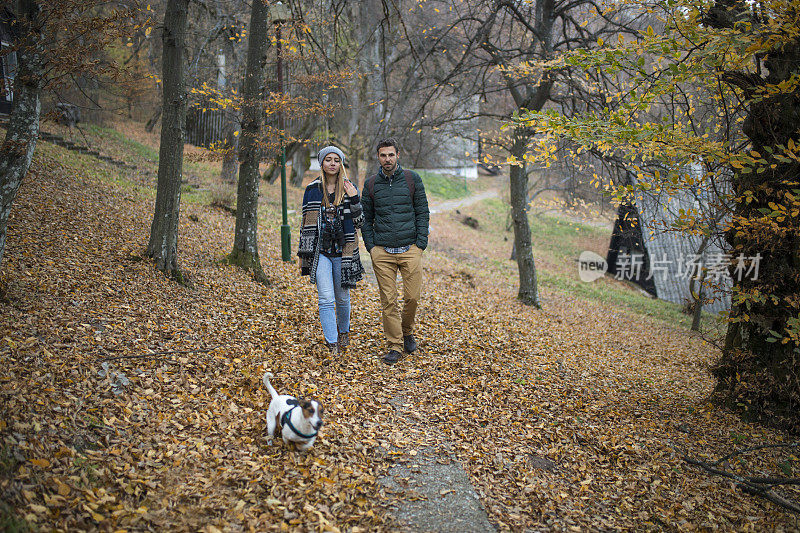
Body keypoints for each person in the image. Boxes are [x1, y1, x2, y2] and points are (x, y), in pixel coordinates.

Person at [361, 138, 430, 365]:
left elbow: (422, 212)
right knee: (388, 301)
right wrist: (372, 247)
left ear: (397, 155)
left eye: (391, 155)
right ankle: (395, 345)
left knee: (412, 297)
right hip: (383, 252)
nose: (387, 159)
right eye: (383, 155)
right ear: (378, 157)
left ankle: (407, 331)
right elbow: (366, 218)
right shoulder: (371, 184)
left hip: (410, 248)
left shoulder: (412, 179)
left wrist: (420, 243)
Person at [298, 146, 364, 356]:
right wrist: (303, 255)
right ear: (322, 163)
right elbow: (305, 224)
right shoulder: (312, 189)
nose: (333, 163)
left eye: (337, 160)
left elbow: (360, 222)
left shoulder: (349, 187)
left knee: (342, 298)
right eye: (328, 160)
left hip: (343, 252)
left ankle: (343, 331)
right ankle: (332, 342)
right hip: (321, 252)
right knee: (326, 298)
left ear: (341, 163)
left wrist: (354, 199)